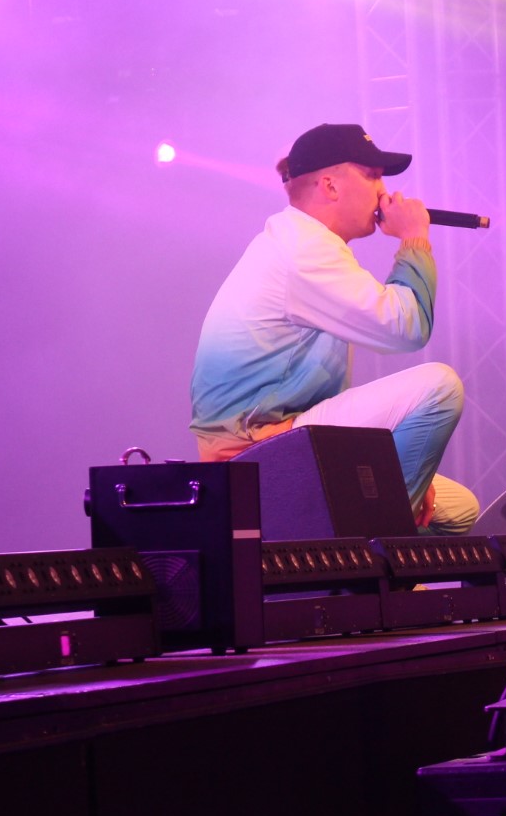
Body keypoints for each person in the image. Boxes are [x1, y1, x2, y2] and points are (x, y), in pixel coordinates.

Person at [190, 123, 479, 534]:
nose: (384, 192)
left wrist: (408, 465)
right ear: (330, 185)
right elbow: (407, 328)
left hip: (290, 436)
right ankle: (373, 554)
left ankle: (371, 542)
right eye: (372, 175)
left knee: (460, 509)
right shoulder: (302, 249)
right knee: (440, 387)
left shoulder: (305, 242)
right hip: (255, 454)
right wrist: (414, 237)